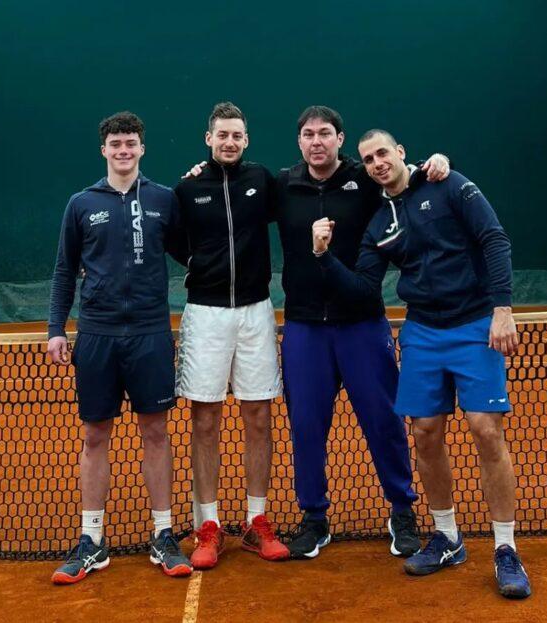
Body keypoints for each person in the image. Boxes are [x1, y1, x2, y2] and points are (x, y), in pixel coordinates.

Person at [311, 129, 531, 599]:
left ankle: (506, 548)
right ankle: (448, 537)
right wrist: (324, 257)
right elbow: (365, 289)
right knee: (426, 432)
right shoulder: (378, 224)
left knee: (485, 429)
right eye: (368, 159)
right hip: (423, 332)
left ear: (401, 153)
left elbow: (494, 239)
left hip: (475, 325)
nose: (376, 163)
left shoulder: (448, 184)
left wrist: (503, 308)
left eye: (383, 153)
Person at [275, 106, 449, 560]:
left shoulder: (365, 180)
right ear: (299, 142)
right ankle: (314, 518)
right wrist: (203, 169)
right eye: (308, 134)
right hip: (304, 328)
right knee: (307, 427)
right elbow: (235, 192)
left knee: (383, 421)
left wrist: (437, 164)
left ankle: (402, 511)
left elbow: (404, 183)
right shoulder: (282, 186)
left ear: (339, 139)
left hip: (362, 326)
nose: (317, 141)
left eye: (325, 134)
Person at [46, 111, 192, 584]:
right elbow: (65, 270)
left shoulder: (164, 200)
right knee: (94, 436)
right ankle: (92, 540)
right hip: (97, 336)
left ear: (142, 149)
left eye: (131, 143)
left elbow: (194, 252)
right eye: (116, 144)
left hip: (150, 334)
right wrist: (55, 329)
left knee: (155, 432)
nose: (123, 150)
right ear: (104, 150)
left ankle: (163, 534)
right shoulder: (81, 203)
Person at [172, 102, 289, 569]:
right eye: (222, 135)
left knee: (259, 416)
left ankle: (256, 523)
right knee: (205, 419)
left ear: (246, 140)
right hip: (205, 313)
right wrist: (200, 265)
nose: (229, 142)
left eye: (237, 135)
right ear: (208, 138)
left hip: (257, 311)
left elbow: (306, 196)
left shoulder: (262, 180)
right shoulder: (186, 188)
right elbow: (171, 239)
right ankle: (209, 525)